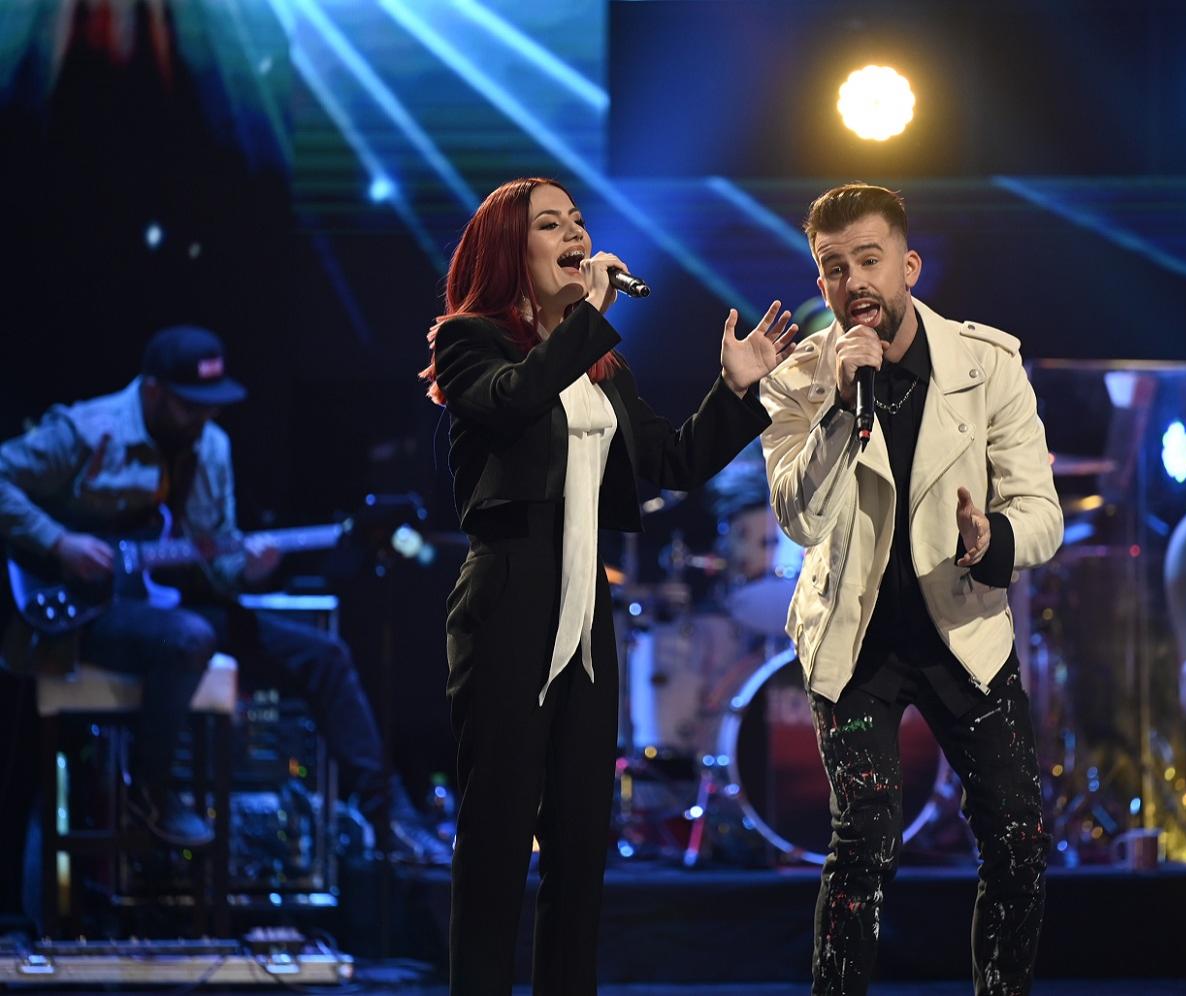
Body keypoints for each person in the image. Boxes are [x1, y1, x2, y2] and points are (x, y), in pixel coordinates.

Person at [420, 176, 796, 995]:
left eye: (579, 221)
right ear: (510, 250)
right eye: (550, 224)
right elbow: (513, 403)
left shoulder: (600, 368)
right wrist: (586, 316)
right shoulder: (470, 341)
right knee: (496, 841)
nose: (576, 235)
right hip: (509, 598)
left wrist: (737, 390)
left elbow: (672, 463)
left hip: (586, 615)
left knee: (580, 845)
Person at [759, 183, 1063, 996]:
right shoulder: (797, 380)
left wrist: (991, 540)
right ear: (820, 282)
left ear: (909, 266)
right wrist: (837, 409)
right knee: (864, 840)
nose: (854, 281)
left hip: (963, 627)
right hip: (854, 636)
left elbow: (1042, 514)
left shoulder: (987, 365)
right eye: (835, 267)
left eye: (870, 260)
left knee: (1019, 839)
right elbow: (797, 516)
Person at [0, 326, 447, 864]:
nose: (204, 415)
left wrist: (248, 568)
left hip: (173, 606)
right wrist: (59, 541)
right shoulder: (87, 430)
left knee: (324, 656)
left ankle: (392, 819)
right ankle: (151, 794)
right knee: (189, 636)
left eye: (211, 403)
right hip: (87, 609)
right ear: (153, 391)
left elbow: (218, 563)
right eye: (190, 404)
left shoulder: (212, 447)